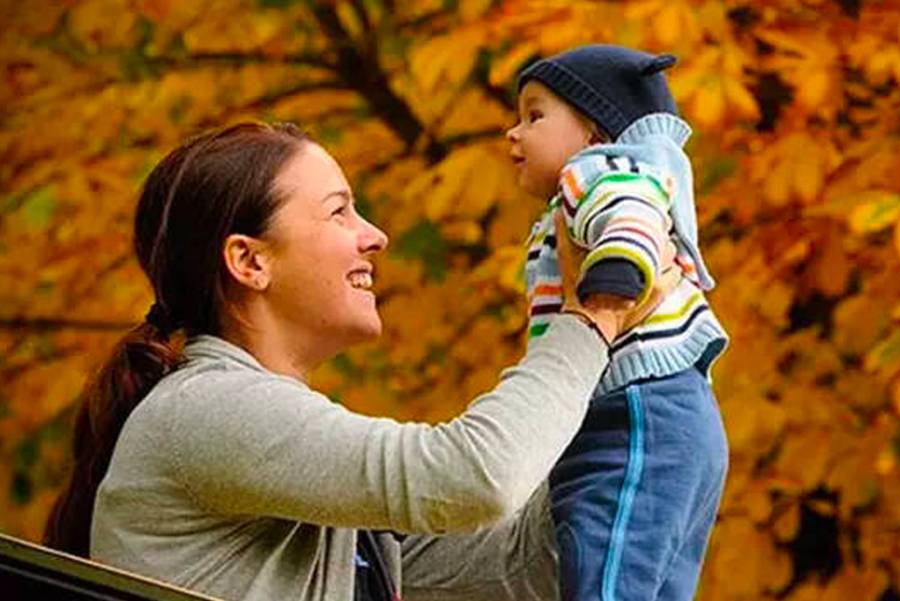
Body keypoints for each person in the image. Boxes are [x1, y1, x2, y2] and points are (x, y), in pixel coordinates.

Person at [43, 122, 680, 601]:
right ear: (249, 262)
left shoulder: (315, 503)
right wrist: (591, 316)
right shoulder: (202, 410)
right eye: (339, 210)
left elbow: (528, 565)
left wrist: (651, 368)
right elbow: (475, 477)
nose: (374, 235)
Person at [506, 45, 730, 601]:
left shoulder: (597, 173)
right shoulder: (591, 188)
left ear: (595, 133)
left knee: (603, 574)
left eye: (535, 116)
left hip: (631, 415)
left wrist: (617, 263)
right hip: (673, 419)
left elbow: (629, 209)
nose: (514, 133)